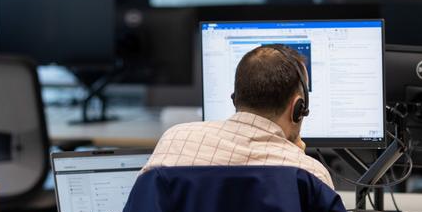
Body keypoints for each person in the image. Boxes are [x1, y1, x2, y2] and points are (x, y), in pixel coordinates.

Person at [142, 44, 333, 188]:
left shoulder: (175, 141)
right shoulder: (310, 175)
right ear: (298, 108)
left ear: (235, 98)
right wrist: (296, 157)